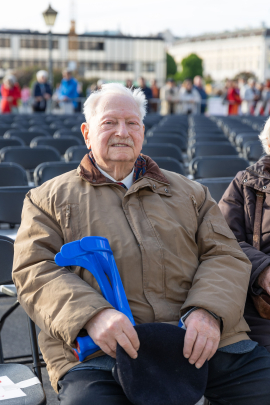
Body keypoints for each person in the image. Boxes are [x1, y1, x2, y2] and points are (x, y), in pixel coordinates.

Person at [12, 83, 270, 405]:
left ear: (142, 132)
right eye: (109, 122)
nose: (122, 131)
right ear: (86, 133)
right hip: (102, 348)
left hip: (200, 339)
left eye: (132, 123)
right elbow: (34, 270)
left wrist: (208, 311)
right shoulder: (46, 200)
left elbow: (226, 254)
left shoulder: (192, 193)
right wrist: (93, 316)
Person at [219, 117, 270, 353]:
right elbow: (223, 240)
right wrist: (264, 271)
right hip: (259, 303)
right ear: (268, 144)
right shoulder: (245, 184)